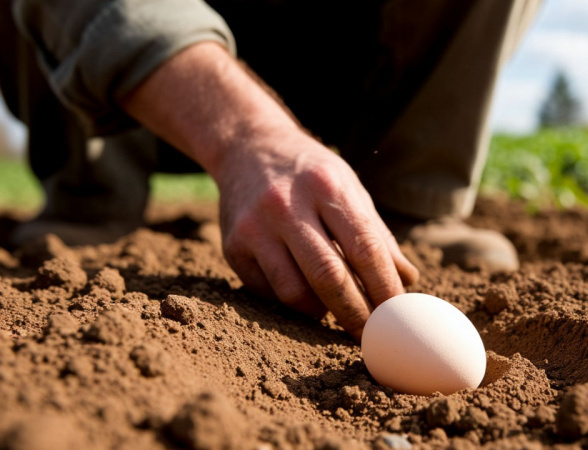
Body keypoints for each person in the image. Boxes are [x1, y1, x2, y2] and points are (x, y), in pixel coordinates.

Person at [0, 0, 540, 341]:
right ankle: (92, 193)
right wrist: (247, 137)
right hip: (133, 78)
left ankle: (405, 194)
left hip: (333, 68)